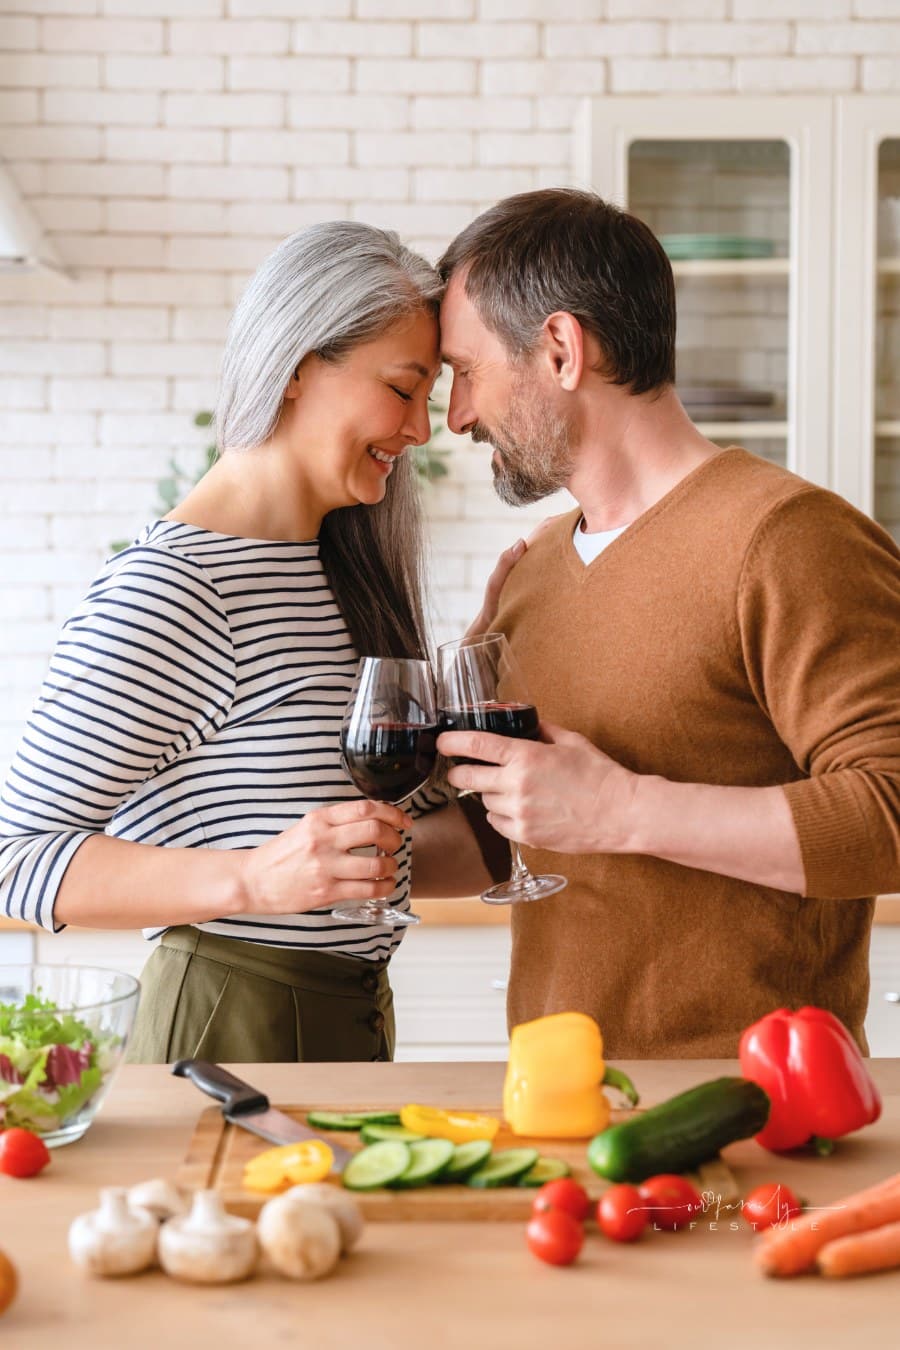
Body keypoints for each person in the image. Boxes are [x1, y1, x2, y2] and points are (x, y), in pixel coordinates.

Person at [0, 221, 503, 1064]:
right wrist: (254, 880)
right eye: (404, 387)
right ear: (302, 365)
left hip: (352, 1017)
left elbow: (415, 847)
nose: (424, 428)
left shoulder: (340, 574)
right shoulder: (172, 588)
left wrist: (486, 686)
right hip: (229, 1017)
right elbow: (15, 858)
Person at [416, 187, 900, 1059]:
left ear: (561, 349)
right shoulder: (532, 578)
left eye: (466, 369)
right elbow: (518, 839)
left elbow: (891, 812)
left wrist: (627, 809)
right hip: (562, 1106)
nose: (454, 416)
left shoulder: (787, 540)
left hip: (758, 1124)